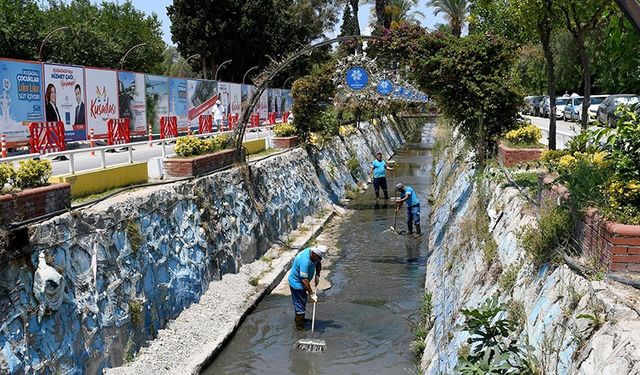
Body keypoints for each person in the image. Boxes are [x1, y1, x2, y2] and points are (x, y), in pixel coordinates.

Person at [288, 245, 327, 330]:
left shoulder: (314, 255)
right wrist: (312, 294)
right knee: (300, 304)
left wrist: (317, 275)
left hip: (303, 282)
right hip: (297, 284)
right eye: (319, 257)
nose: (320, 260)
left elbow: (318, 263)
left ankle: (300, 318)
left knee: (302, 302)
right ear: (314, 254)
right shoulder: (304, 261)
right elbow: (304, 281)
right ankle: (300, 328)